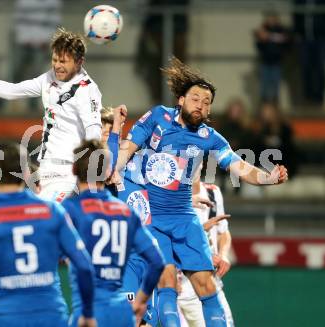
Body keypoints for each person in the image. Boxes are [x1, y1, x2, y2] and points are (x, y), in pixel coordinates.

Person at [113, 57, 288, 327]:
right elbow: (128, 147)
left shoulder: (211, 138)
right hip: (152, 218)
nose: (201, 105)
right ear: (181, 100)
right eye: (196, 99)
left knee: (206, 285)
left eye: (207, 103)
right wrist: (115, 168)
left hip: (184, 217)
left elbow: (238, 165)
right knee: (167, 282)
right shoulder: (158, 116)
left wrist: (268, 178)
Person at [0, 28, 104, 202]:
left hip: (68, 175)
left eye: (63, 61)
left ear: (79, 62)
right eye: (54, 60)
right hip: (45, 173)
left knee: (46, 219)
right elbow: (11, 91)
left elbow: (93, 133)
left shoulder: (87, 91)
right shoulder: (49, 79)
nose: (57, 65)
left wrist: (91, 173)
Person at [0, 143, 96, 327]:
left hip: (6, 319)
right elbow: (84, 266)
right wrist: (87, 313)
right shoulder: (53, 212)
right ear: (27, 174)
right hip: (51, 317)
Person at [62, 139, 165, 326]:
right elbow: (157, 262)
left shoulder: (69, 209)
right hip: (122, 313)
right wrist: (141, 300)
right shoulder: (126, 211)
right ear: (109, 171)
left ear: (74, 170)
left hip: (88, 312)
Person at [178, 182, 234, 327]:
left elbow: (223, 232)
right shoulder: (166, 196)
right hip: (174, 285)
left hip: (207, 281)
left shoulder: (213, 192)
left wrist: (223, 255)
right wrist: (202, 251)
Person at [0, 0, 62, 112]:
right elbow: (19, 21)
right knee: (14, 73)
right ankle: (0, 104)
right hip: (22, 42)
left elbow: (54, 23)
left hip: (41, 44)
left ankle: (32, 108)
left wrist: (44, 40)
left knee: (37, 76)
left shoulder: (54, 2)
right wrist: (25, 38)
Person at [254, 10, 290, 104]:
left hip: (277, 63)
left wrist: (270, 37)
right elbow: (259, 47)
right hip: (265, 62)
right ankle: (263, 108)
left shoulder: (282, 30)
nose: (271, 20)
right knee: (264, 88)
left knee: (275, 88)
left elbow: (287, 43)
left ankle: (275, 109)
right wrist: (261, 39)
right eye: (269, 18)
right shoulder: (262, 30)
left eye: (273, 18)